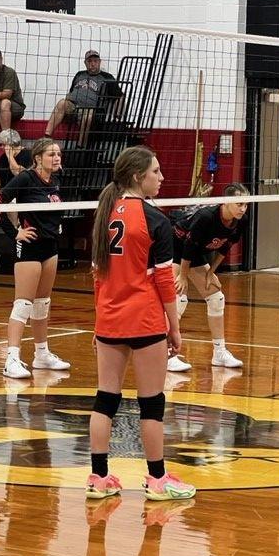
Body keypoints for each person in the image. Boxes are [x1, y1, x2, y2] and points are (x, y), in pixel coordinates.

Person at [87, 145, 195, 500]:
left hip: (110, 320)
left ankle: (98, 477)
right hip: (145, 321)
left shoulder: (105, 214)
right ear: (138, 177)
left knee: (106, 399)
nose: (162, 178)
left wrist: (99, 321)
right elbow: (165, 281)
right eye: (156, 172)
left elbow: (98, 276)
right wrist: (174, 327)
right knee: (151, 404)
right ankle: (158, 480)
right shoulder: (155, 220)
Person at [0, 137, 71, 379]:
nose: (57, 158)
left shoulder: (56, 180)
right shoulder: (26, 178)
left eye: (58, 154)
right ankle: (11, 359)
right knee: (23, 304)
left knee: (42, 303)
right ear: (38, 158)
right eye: (51, 154)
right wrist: (14, 233)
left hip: (50, 247)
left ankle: (42, 354)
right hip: (29, 247)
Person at [167, 183, 248, 373]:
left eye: (245, 204)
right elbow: (188, 246)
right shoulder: (206, 217)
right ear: (226, 202)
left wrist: (211, 272)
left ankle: (219, 354)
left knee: (216, 298)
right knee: (178, 297)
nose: (242, 209)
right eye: (239, 204)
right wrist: (183, 277)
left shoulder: (241, 220)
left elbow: (225, 247)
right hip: (176, 247)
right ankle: (167, 355)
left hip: (195, 253)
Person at [45, 50, 124, 145]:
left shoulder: (107, 77)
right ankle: (46, 137)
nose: (92, 64)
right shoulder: (79, 74)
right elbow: (72, 91)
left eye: (95, 61)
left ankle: (81, 145)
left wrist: (118, 113)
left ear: (99, 62)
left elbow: (119, 96)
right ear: (85, 63)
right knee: (62, 102)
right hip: (74, 107)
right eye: (89, 61)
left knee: (88, 115)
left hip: (92, 110)